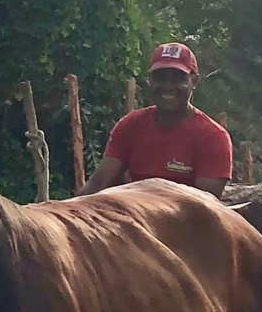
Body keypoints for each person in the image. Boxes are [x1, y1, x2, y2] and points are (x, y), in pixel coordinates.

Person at [82, 42, 235, 197]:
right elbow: (99, 182)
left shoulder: (212, 137)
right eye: (160, 78)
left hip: (180, 220)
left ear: (194, 81)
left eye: (177, 79)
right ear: (150, 80)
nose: (168, 86)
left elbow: (202, 208)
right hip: (132, 215)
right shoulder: (131, 125)